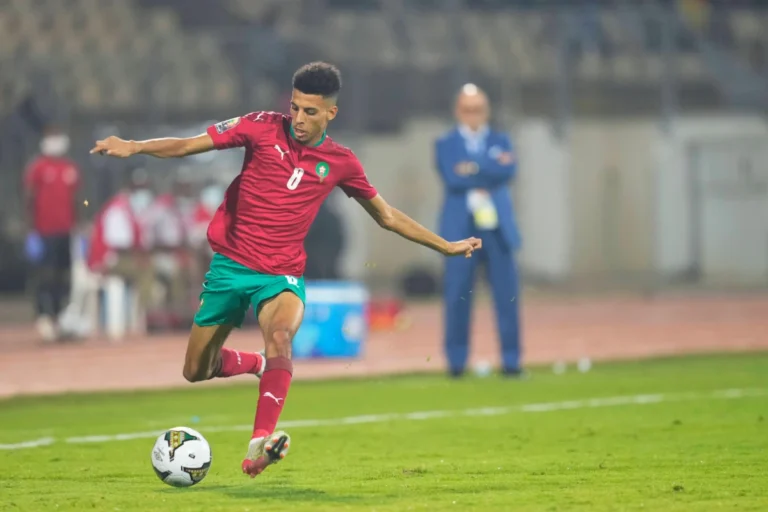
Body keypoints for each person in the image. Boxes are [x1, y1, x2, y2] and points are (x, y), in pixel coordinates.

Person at [90, 62, 482, 478]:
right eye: (294, 108)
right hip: (230, 267)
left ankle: (259, 442)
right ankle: (258, 365)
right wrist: (134, 146)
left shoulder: (342, 162)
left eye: (310, 112)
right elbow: (189, 145)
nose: (298, 119)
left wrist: (445, 246)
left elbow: (386, 216)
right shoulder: (259, 126)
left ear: (331, 113)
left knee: (280, 336)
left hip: (281, 276)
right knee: (195, 370)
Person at [434, 83, 523, 378]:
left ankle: (512, 362)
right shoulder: (445, 144)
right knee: (458, 296)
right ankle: (456, 364)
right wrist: (487, 169)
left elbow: (508, 171)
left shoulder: (501, 139)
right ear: (458, 111)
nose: (474, 115)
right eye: (468, 110)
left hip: (496, 228)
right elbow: (452, 177)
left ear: (487, 111)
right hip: (460, 229)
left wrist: (470, 168)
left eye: (479, 110)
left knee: (507, 296)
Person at [23, 127, 80, 342]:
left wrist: (78, 226)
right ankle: (43, 315)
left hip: (65, 231)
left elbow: (77, 200)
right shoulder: (38, 168)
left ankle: (59, 316)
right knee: (44, 275)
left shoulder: (70, 168)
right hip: (43, 232)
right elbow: (29, 199)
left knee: (62, 275)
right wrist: (30, 231)